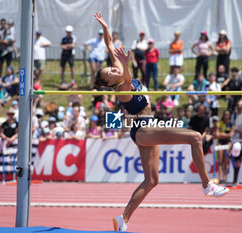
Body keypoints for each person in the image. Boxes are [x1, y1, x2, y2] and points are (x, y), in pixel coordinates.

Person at [94, 12, 229, 231]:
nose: (113, 69)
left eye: (111, 67)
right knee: (195, 137)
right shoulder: (121, 89)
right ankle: (207, 186)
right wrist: (126, 65)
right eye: (110, 72)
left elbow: (109, 45)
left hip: (147, 128)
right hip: (144, 128)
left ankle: (123, 219)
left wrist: (105, 27)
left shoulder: (119, 70)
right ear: (109, 83)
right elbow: (128, 80)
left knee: (152, 181)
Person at [216, 110, 235, 184]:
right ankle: (221, 178)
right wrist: (226, 135)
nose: (226, 116)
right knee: (220, 161)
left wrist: (222, 134)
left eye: (227, 115)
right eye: (225, 115)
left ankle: (225, 177)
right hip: (221, 143)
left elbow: (231, 134)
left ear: (229, 116)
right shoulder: (219, 123)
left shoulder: (231, 124)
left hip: (228, 142)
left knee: (226, 161)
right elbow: (217, 135)